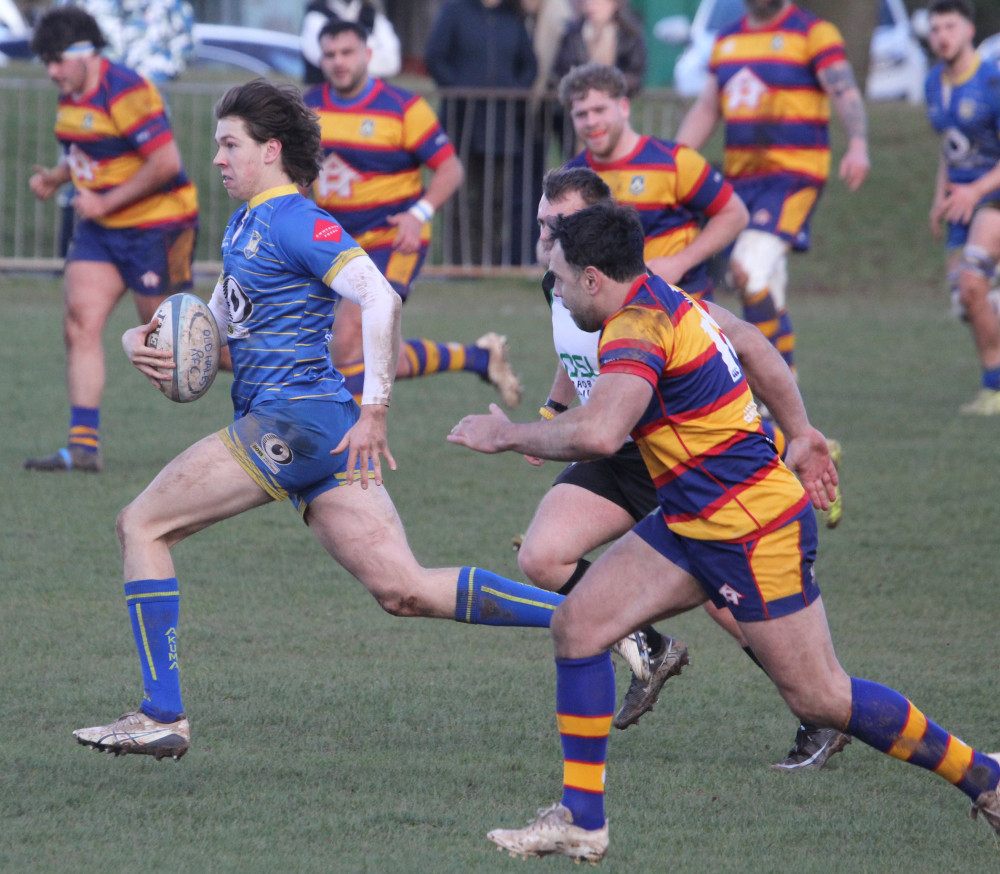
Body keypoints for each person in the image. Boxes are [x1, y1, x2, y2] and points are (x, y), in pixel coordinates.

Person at [448, 202, 1000, 862]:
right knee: (579, 626)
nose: (557, 291)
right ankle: (582, 820)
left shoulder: (636, 329)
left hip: (752, 529)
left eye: (562, 279)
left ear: (594, 277)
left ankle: (985, 779)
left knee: (821, 696)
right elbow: (754, 344)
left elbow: (600, 433)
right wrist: (801, 432)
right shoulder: (669, 296)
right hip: (691, 519)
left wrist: (507, 433)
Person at [70, 79, 569, 761]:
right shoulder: (247, 223)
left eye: (229, 144)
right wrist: (144, 344)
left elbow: (380, 298)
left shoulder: (294, 219)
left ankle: (162, 712)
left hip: (291, 423)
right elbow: (211, 331)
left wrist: (377, 410)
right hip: (314, 430)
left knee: (141, 522)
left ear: (271, 150)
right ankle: (595, 618)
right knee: (404, 589)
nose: (216, 158)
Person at [519, 166, 849, 770]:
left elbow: (746, 340)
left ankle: (821, 715)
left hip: (672, 460)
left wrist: (803, 433)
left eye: (558, 223)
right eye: (543, 220)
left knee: (738, 611)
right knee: (542, 555)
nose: (546, 234)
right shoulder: (561, 281)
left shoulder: (642, 298)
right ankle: (649, 645)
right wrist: (553, 408)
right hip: (613, 449)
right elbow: (574, 351)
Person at [304, 20, 521, 408]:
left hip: (393, 239)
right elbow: (299, 176)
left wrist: (418, 213)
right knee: (374, 351)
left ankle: (347, 451)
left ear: (367, 55)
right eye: (330, 54)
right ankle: (480, 358)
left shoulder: (404, 107)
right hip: (332, 242)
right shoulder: (308, 109)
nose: (339, 62)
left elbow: (450, 168)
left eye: (347, 52)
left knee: (351, 336)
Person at [24, 5, 198, 473]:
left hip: (158, 224)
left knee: (176, 345)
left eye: (58, 59)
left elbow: (164, 163)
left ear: (86, 53)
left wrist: (104, 202)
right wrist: (60, 177)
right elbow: (89, 148)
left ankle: (290, 375)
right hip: (102, 231)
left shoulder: (126, 90)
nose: (52, 70)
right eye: (47, 61)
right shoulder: (72, 91)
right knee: (79, 322)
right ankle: (83, 446)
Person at [675, 0, 870, 377]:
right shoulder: (728, 38)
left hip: (794, 177)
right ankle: (784, 382)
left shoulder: (813, 32)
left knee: (747, 269)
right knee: (762, 285)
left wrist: (858, 144)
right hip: (741, 181)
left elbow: (844, 91)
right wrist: (674, 160)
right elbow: (706, 108)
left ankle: (767, 384)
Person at [924, 0, 1000, 415]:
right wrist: (941, 198)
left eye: (950, 27)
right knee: (965, 301)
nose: (942, 36)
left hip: (993, 197)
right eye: (935, 29)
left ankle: (995, 386)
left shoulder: (992, 82)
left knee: (973, 284)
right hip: (960, 204)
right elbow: (947, 147)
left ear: (969, 30)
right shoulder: (933, 82)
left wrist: (974, 192)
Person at [425, 0, 538, 266]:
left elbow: (529, 65)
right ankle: (459, 260)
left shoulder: (513, 16)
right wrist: (460, 91)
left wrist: (515, 92)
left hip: (502, 122)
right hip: (462, 119)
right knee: (461, 195)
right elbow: (435, 57)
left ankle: (489, 258)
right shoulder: (455, 11)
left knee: (496, 197)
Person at [550, 0, 647, 97]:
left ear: (614, 4)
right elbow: (561, 69)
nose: (591, 7)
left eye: (597, 3)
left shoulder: (629, 34)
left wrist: (609, 86)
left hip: (616, 98)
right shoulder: (573, 34)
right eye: (588, 2)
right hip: (579, 98)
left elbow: (635, 71)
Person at [300, 0, 400, 84]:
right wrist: (371, 49)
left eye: (347, 53)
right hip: (324, 102)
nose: (339, 62)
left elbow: (392, 63)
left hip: (370, 101)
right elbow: (322, 61)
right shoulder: (315, 16)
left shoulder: (373, 16)